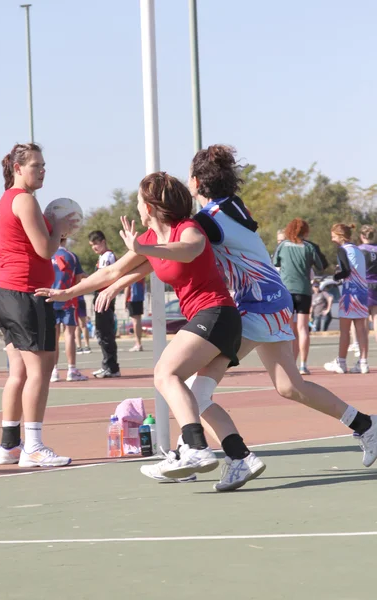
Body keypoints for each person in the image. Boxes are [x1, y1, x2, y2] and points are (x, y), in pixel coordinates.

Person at [90, 145, 377, 487]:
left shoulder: (204, 222)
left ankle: (197, 454)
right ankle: (365, 425)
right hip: (273, 299)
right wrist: (118, 281)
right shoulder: (230, 207)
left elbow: (160, 255)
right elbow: (158, 258)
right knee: (290, 386)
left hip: (257, 304)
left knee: (193, 388)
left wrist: (119, 277)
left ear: (195, 182)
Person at [37, 172, 266, 488]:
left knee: (164, 374)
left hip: (216, 314)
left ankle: (195, 448)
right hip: (212, 319)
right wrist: (67, 293)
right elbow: (113, 270)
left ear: (152, 205)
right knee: (198, 398)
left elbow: (189, 250)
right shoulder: (146, 240)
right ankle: (241, 458)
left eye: (138, 201)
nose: (136, 207)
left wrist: (150, 249)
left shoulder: (187, 228)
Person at [0, 142, 76, 468]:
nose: (42, 170)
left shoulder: (3, 202)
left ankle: (9, 445)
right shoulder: (24, 200)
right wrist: (61, 231)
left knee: (19, 372)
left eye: (43, 165)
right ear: (17, 168)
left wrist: (54, 232)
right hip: (24, 292)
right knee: (42, 369)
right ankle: (34, 446)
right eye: (36, 165)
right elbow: (43, 250)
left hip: (4, 293)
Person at [273, 219, 324, 375]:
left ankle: (289, 364)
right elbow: (320, 266)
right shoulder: (308, 247)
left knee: (288, 329)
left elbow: (275, 262)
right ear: (305, 231)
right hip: (304, 291)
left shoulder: (282, 246)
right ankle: (303, 364)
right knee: (303, 329)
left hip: (286, 290)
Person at [324, 224, 369, 374]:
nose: (331, 238)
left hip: (350, 292)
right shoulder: (358, 250)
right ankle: (363, 363)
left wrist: (336, 276)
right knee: (361, 329)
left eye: (333, 235)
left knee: (344, 330)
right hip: (362, 292)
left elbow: (345, 271)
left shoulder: (342, 250)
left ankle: (341, 362)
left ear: (340, 236)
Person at [50, 238, 88, 382]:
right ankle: (71, 369)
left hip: (50, 299)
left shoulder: (47, 254)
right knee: (69, 335)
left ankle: (54, 371)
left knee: (53, 336)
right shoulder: (71, 256)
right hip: (68, 300)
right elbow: (78, 280)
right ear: (65, 237)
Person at [88, 230, 120, 378]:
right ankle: (107, 365)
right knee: (102, 333)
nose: (94, 247)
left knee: (105, 334)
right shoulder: (102, 257)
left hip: (105, 298)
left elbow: (105, 278)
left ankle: (112, 367)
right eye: (91, 245)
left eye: (96, 244)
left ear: (103, 242)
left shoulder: (108, 257)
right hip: (100, 297)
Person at [358, 225, 377, 343]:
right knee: (376, 317)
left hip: (363, 285)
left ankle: (363, 353)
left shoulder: (359, 250)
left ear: (361, 236)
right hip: (376, 285)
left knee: (363, 320)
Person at [125, 279, 145, 351]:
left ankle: (138, 344)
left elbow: (126, 286)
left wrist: (125, 300)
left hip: (132, 298)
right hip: (140, 296)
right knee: (138, 320)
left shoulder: (130, 271)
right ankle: (139, 343)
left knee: (135, 321)